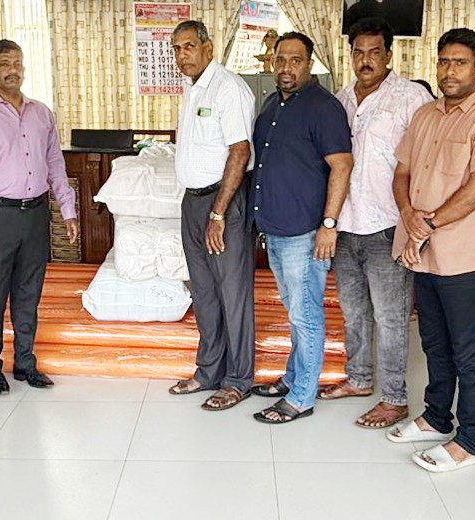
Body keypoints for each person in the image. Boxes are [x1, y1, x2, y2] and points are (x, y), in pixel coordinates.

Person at [385, 28, 475, 473]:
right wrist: (409, 215)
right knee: (433, 341)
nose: (449, 71)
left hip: (462, 253)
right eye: (443, 61)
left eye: (459, 63)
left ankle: (470, 439)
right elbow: (401, 173)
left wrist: (425, 225)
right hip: (422, 250)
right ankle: (436, 416)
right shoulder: (425, 115)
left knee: (466, 347)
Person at [316, 18, 431, 430]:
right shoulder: (340, 99)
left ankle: (395, 398)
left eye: (374, 52)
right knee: (354, 312)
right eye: (358, 53)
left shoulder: (411, 97)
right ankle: (360, 378)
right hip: (345, 224)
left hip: (388, 224)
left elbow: (426, 160)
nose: (366, 60)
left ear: (389, 55)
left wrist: (418, 222)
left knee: (391, 316)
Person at [0, 39, 78, 395]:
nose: (13, 70)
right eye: (4, 63)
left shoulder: (42, 113)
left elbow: (55, 164)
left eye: (18, 63)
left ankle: (25, 362)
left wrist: (68, 210)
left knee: (29, 293)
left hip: (35, 214)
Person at [247, 32, 354, 425]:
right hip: (276, 228)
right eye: (280, 59)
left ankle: (302, 397)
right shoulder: (272, 103)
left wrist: (329, 225)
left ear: (310, 64)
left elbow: (342, 166)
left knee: (306, 314)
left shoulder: (323, 107)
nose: (286, 67)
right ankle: (294, 378)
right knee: (296, 311)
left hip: (306, 233)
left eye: (295, 60)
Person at [165, 20, 257, 411]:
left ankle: (238, 380)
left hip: (223, 203)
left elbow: (240, 151)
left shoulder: (227, 88)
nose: (181, 55)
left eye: (188, 46)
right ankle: (208, 372)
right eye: (176, 49)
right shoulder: (192, 88)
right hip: (193, 202)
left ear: (209, 47)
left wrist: (218, 214)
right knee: (203, 292)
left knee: (232, 294)